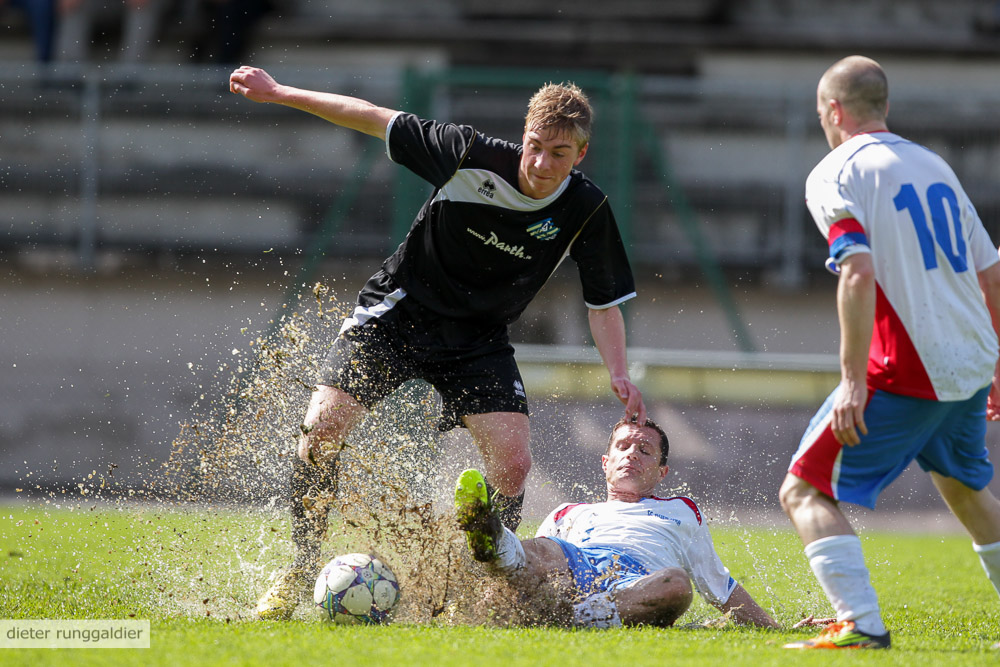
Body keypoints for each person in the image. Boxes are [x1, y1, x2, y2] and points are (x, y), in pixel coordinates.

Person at [228, 66, 647, 620]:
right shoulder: (466, 153)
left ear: (581, 155)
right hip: (397, 315)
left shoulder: (586, 208)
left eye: (560, 153)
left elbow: (603, 303)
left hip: (477, 341)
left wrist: (617, 370)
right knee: (321, 431)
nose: (543, 164)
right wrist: (279, 92)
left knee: (513, 466)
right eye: (535, 147)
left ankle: (488, 582)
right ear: (523, 138)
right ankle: (299, 566)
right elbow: (372, 117)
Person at [779, 55, 1000, 650]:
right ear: (885, 107)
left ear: (833, 111)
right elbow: (992, 274)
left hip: (906, 366)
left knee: (803, 491)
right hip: (973, 357)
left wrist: (853, 382)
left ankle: (861, 623)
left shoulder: (835, 170)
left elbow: (856, 272)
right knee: (966, 490)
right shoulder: (934, 165)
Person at [454, 418, 779, 629]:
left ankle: (568, 619)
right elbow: (532, 567)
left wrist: (776, 630)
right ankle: (493, 538)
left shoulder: (682, 510)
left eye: (645, 450)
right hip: (572, 563)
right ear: (606, 464)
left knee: (677, 585)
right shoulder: (567, 511)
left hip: (633, 581)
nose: (632, 454)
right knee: (541, 549)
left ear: (661, 472)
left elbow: (720, 587)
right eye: (623, 447)